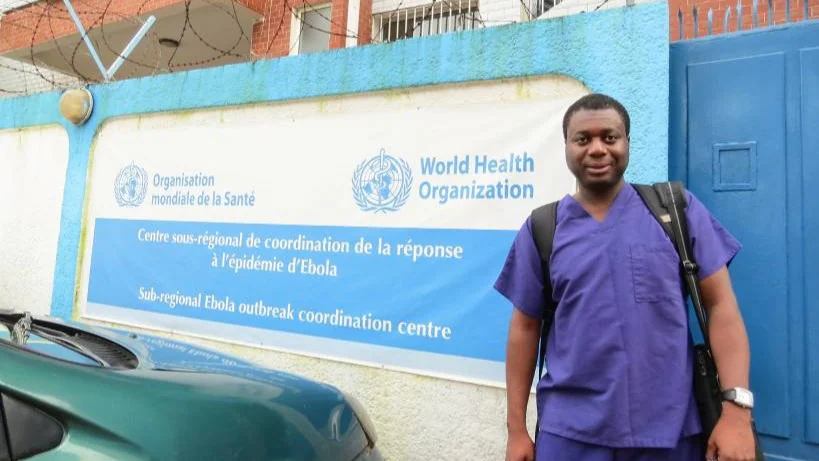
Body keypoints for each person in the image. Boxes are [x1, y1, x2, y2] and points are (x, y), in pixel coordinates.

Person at [494, 93, 758, 461]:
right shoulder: (543, 228)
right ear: (566, 147)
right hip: (569, 436)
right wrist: (517, 431)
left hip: (670, 434)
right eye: (583, 139)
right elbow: (524, 329)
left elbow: (721, 306)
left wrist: (737, 413)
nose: (598, 149)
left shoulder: (674, 211)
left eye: (610, 137)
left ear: (628, 143)